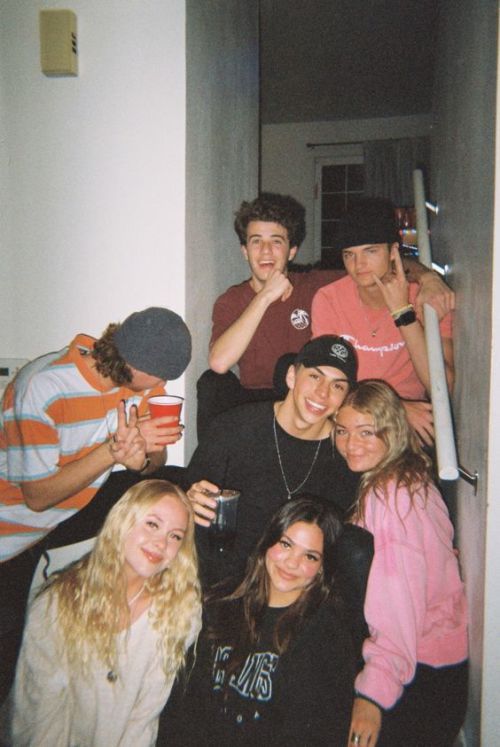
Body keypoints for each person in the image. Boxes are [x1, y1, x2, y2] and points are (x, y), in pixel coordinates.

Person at [0, 306, 191, 702]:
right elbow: (37, 498)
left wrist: (144, 455)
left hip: (57, 526)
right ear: (127, 360)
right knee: (10, 662)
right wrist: (113, 453)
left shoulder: (142, 384)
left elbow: (154, 463)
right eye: (157, 375)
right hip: (10, 535)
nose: (161, 384)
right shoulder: (44, 385)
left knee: (174, 484)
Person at [198, 192, 454, 437]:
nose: (266, 251)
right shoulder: (231, 300)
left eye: (276, 242)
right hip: (259, 403)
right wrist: (265, 296)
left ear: (292, 250)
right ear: (245, 251)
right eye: (256, 242)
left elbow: (374, 266)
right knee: (210, 384)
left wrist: (428, 276)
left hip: (313, 400)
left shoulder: (315, 286)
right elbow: (219, 362)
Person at [9, 479, 201, 747]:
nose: (161, 542)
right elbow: (38, 719)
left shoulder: (180, 611)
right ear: (123, 521)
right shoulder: (56, 605)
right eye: (152, 524)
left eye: (175, 536)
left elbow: (143, 719)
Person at [159, 496, 355, 746]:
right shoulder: (222, 605)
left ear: (322, 569)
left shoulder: (327, 636)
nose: (292, 563)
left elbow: (316, 733)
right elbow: (182, 708)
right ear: (268, 542)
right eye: (286, 544)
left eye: (310, 557)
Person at [334, 380, 468, 747]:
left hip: (421, 676)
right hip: (435, 661)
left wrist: (373, 694)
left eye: (365, 432)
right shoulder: (406, 476)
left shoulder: (390, 495)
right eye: (342, 431)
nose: (350, 444)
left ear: (390, 431)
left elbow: (398, 602)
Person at [186, 334, 360, 588]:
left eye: (337, 386)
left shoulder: (346, 455)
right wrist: (189, 499)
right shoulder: (234, 427)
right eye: (314, 376)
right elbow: (189, 496)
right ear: (291, 376)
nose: (323, 393)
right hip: (225, 581)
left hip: (296, 590)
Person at [312, 197, 454, 445]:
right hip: (351, 414)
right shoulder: (329, 299)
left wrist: (403, 313)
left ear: (393, 251)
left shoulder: (426, 297)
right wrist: (391, 408)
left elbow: (443, 386)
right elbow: (327, 383)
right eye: (349, 255)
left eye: (371, 251)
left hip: (406, 424)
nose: (359, 265)